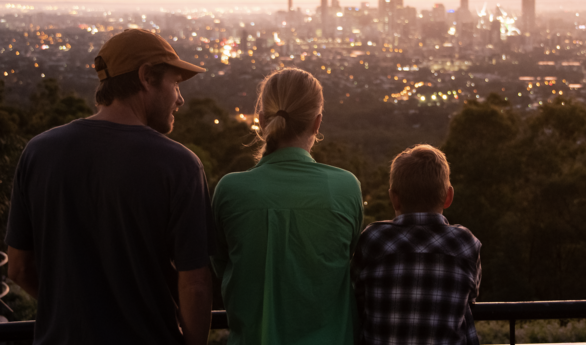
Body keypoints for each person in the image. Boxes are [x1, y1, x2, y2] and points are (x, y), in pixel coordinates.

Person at [6, 28, 215, 345]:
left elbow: (19, 269)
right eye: (175, 83)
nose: (180, 98)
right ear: (146, 77)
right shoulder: (179, 166)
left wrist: (67, 311)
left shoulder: (38, 152)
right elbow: (195, 284)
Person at [212, 68, 363, 345]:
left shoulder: (230, 190)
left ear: (261, 120)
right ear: (317, 123)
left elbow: (222, 266)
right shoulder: (346, 188)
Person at [351, 144, 482, 345]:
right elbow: (471, 296)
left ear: (394, 199)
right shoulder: (465, 243)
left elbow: (357, 293)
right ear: (448, 197)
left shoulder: (373, 240)